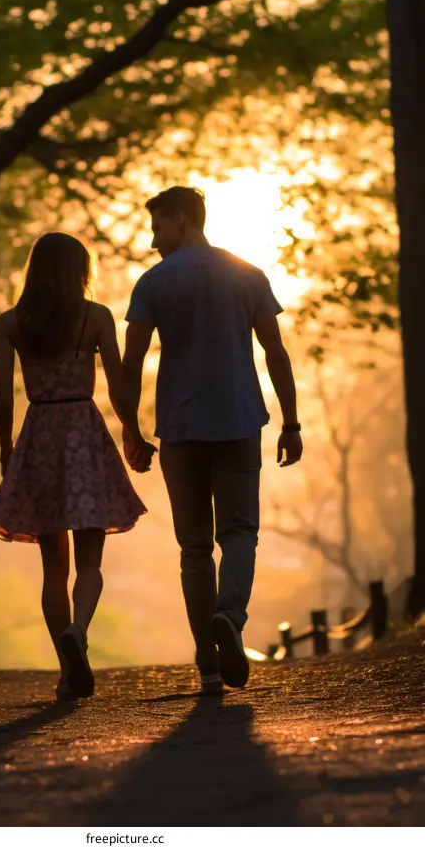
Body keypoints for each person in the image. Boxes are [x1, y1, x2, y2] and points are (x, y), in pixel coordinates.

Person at [122, 186, 303, 696]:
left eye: (158, 227)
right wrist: (291, 422)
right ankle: (230, 616)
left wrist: (130, 427)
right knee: (240, 532)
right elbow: (276, 352)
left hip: (180, 431)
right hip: (240, 422)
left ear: (181, 220)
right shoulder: (247, 273)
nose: (154, 240)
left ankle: (207, 662)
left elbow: (131, 362)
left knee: (194, 547)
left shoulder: (153, 283)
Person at [0, 232, 155, 701]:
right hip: (84, 430)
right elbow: (118, 385)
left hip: (41, 435)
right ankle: (79, 630)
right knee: (90, 564)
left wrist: (7, 446)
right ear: (80, 270)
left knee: (52, 568)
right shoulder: (95, 317)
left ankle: (66, 669)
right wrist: (132, 432)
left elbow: (3, 397)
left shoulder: (12, 323)